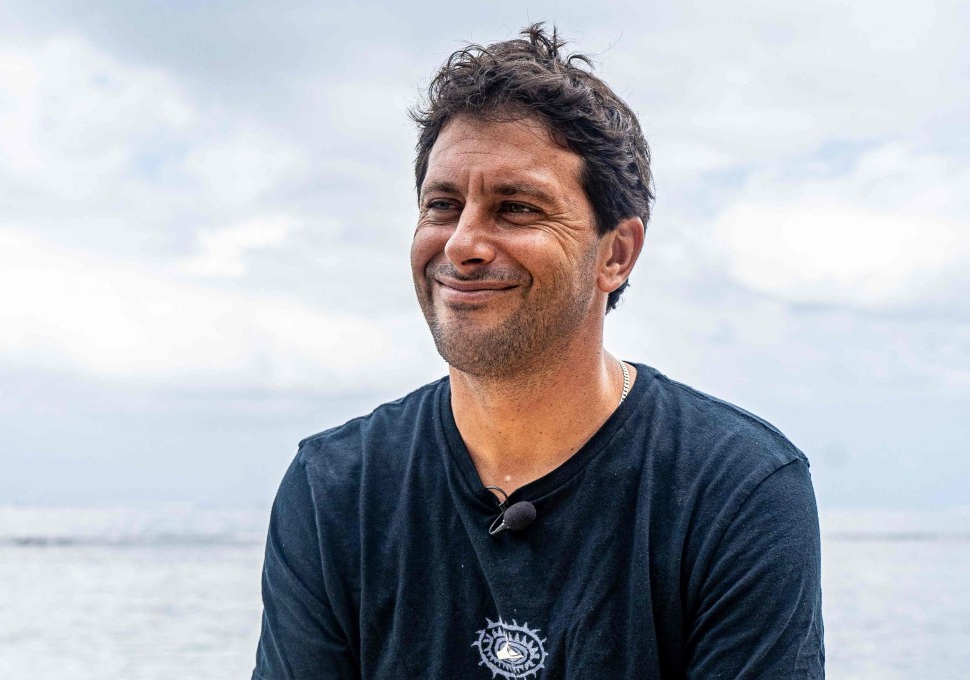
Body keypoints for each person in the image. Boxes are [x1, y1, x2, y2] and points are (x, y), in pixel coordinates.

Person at [252, 24, 824, 680]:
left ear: (615, 253)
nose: (462, 242)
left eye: (516, 208)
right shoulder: (335, 489)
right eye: (442, 205)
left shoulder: (736, 488)